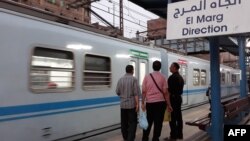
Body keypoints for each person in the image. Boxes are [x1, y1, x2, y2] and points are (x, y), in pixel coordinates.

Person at [141, 60, 172, 141]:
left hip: (150, 103)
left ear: (152, 67)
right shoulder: (163, 77)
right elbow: (165, 92)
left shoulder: (147, 76)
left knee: (148, 121)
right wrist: (169, 105)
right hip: (160, 103)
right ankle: (155, 138)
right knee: (158, 122)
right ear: (160, 67)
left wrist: (143, 102)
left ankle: (145, 137)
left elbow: (144, 91)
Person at [116, 65, 140, 141]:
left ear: (126, 70)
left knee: (124, 123)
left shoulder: (120, 79)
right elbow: (136, 93)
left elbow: (117, 92)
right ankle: (130, 139)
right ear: (132, 70)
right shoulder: (134, 79)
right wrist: (137, 104)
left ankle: (125, 138)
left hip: (123, 105)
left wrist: (123, 96)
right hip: (131, 105)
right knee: (132, 123)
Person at [167, 62, 184, 140]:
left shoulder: (171, 78)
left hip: (173, 99)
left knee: (172, 119)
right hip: (179, 98)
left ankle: (173, 136)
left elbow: (169, 91)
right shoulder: (181, 77)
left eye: (170, 66)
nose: (169, 68)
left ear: (174, 68)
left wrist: (168, 103)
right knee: (179, 117)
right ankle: (180, 134)